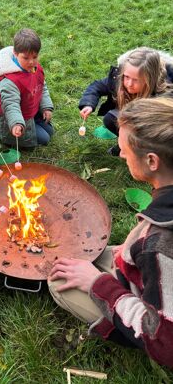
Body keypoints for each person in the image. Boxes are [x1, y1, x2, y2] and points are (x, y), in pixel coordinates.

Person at [48, 96, 173, 369]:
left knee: (58, 281)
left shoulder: (159, 243)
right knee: (81, 257)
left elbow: (165, 341)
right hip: (154, 276)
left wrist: (98, 284)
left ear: (152, 161)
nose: (121, 153)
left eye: (124, 148)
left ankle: (117, 324)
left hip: (158, 327)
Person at [79, 47, 173, 155]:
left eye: (136, 80)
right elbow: (97, 86)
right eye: (127, 77)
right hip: (131, 118)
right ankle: (126, 145)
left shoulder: (165, 96)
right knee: (111, 119)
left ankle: (143, 152)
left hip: (152, 129)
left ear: (150, 79)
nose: (129, 84)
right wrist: (88, 104)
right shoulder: (118, 79)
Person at [0, 28, 54, 148]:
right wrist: (16, 124)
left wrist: (46, 107)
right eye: (26, 58)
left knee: (50, 131)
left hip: (31, 112)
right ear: (16, 54)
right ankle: (3, 134)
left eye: (35, 56)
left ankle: (35, 123)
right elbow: (11, 105)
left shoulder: (35, 68)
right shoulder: (10, 81)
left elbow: (42, 86)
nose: (31, 62)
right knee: (45, 139)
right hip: (15, 120)